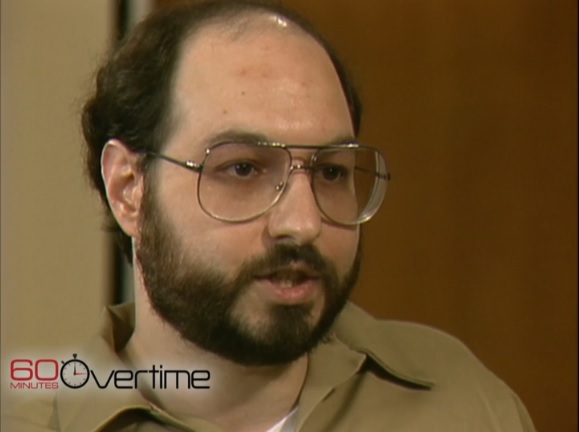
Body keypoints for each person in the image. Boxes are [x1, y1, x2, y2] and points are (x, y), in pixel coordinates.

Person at [4, 0, 536, 431]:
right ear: (129, 190)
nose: (303, 224)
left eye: (331, 172)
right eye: (242, 169)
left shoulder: (463, 402)